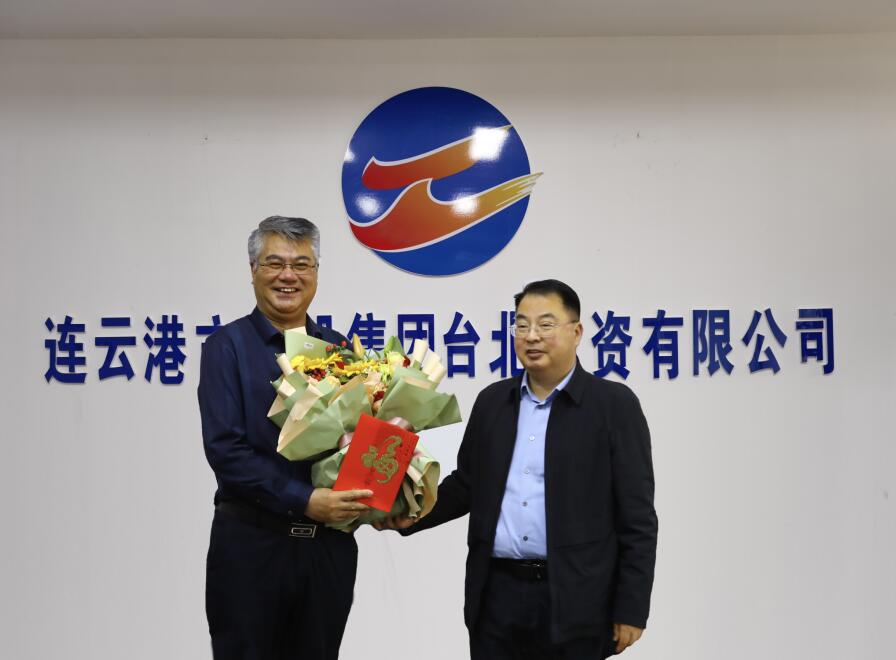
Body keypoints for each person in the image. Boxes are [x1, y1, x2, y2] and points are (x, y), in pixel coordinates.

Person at [379, 279, 657, 658]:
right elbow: (467, 485)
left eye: (546, 324)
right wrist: (410, 512)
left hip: (577, 600)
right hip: (497, 596)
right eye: (521, 325)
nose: (531, 336)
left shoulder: (613, 406)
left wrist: (631, 607)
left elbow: (638, 518)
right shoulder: (493, 402)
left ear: (576, 332)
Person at [199, 216, 373, 660]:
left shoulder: (339, 350)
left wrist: (383, 495)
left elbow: (356, 441)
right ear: (253, 270)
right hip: (252, 550)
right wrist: (305, 499)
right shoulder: (226, 347)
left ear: (316, 272)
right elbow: (226, 452)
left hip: (326, 552)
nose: (288, 276)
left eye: (302, 264)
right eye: (274, 263)